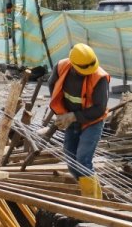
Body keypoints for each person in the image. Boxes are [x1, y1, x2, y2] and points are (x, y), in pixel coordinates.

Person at [47, 43, 110, 198]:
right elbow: (53, 87)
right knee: (71, 159)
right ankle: (91, 193)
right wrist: (61, 114)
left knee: (83, 159)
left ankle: (93, 202)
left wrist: (73, 116)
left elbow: (99, 109)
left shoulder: (99, 78)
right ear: (72, 64)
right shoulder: (61, 67)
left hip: (92, 122)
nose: (87, 72)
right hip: (72, 120)